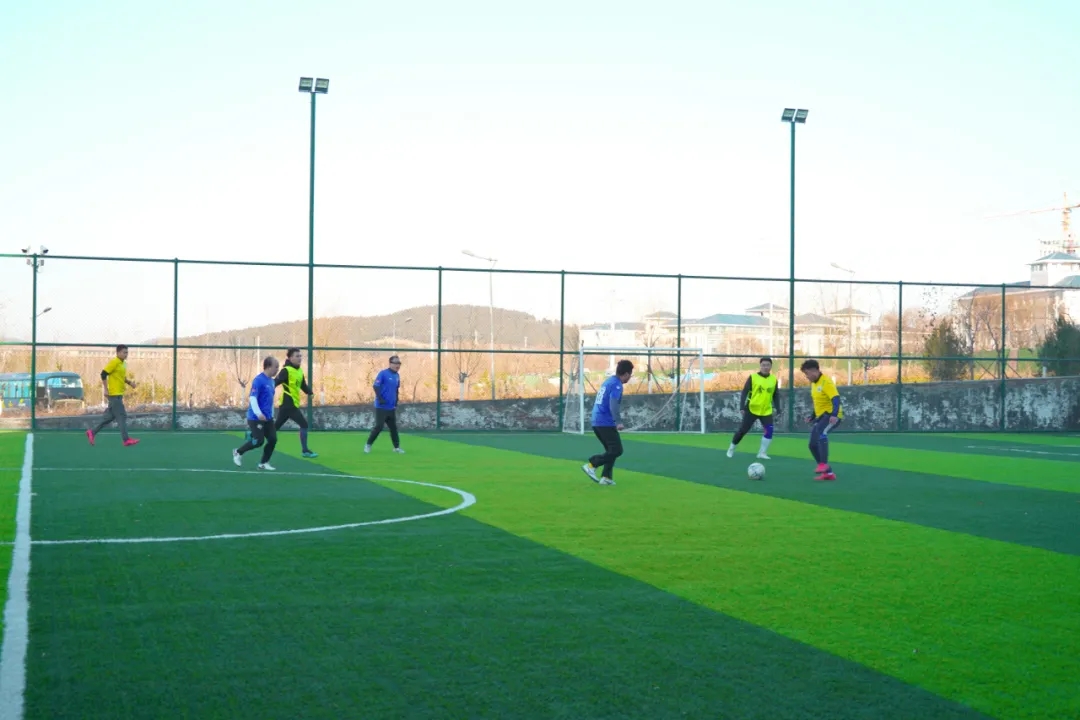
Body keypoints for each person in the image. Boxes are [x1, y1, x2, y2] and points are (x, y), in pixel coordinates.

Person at [581, 359, 634, 486]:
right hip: (605, 422)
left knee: (611, 451)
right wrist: (618, 421)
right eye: (630, 375)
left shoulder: (609, 381)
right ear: (626, 374)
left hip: (597, 421)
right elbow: (613, 404)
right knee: (617, 450)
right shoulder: (616, 385)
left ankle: (606, 477)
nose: (630, 377)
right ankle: (592, 465)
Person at [727, 357, 780, 460]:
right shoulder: (753, 377)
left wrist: (778, 408)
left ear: (771, 366)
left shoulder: (773, 379)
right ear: (760, 366)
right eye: (763, 365)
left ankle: (762, 453)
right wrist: (742, 407)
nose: (765, 367)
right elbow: (744, 392)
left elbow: (776, 394)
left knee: (769, 431)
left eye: (768, 365)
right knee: (743, 430)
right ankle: (731, 448)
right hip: (752, 409)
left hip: (766, 411)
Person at [233, 356, 280, 471]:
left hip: (268, 418)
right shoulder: (258, 380)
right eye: (276, 367)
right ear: (268, 367)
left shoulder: (271, 382)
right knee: (259, 441)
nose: (277, 369)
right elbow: (253, 398)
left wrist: (271, 415)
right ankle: (238, 452)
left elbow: (270, 400)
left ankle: (263, 463)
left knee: (273, 439)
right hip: (255, 418)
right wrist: (258, 413)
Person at [87, 344, 139, 447]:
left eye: (127, 352)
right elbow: (103, 374)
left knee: (109, 417)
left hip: (119, 395)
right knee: (122, 416)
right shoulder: (114, 362)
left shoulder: (123, 364)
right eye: (124, 352)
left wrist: (130, 383)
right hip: (114, 395)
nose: (126, 354)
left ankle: (92, 432)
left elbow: (121, 377)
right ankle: (126, 440)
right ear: (118, 352)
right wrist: (106, 389)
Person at [800, 358, 843, 481]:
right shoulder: (814, 384)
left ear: (814, 371)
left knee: (822, 433)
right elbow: (818, 403)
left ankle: (823, 464)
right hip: (822, 416)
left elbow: (836, 399)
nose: (806, 377)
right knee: (812, 444)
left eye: (807, 373)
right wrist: (812, 416)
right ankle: (828, 473)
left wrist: (834, 414)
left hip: (832, 415)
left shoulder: (826, 382)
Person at [273, 348, 317, 458]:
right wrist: (265, 391)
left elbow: (303, 385)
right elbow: (275, 382)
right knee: (304, 424)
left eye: (300, 356)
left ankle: (253, 435)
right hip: (288, 404)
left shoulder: (299, 371)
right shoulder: (286, 370)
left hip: (290, 405)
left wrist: (310, 392)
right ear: (290, 358)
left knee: (275, 428)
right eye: (297, 356)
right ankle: (305, 450)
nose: (299, 358)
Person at [365, 355, 404, 454]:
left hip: (391, 407)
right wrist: (380, 399)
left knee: (393, 428)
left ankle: (396, 448)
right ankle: (368, 445)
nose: (398, 365)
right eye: (396, 363)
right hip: (381, 406)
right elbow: (376, 386)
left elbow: (396, 389)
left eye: (399, 363)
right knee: (379, 427)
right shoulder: (383, 373)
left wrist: (396, 401)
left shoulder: (397, 376)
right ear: (390, 364)